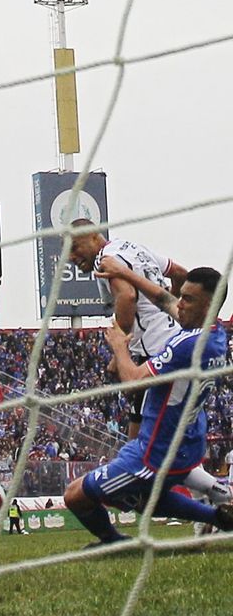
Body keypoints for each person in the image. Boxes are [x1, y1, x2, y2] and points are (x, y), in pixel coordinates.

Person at [64, 266, 233, 546]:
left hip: (155, 454)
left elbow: (132, 381)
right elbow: (164, 299)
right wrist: (126, 274)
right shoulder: (214, 334)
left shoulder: (187, 344)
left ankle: (112, 541)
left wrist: (119, 346)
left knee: (75, 495)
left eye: (188, 299)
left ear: (209, 305)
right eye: (182, 296)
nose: (179, 304)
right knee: (140, 499)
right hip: (185, 443)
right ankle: (219, 512)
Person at [68, 219, 189, 439]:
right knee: (151, 435)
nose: (71, 257)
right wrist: (171, 306)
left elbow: (127, 296)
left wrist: (119, 351)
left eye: (75, 247)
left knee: (140, 444)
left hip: (155, 351)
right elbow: (180, 273)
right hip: (172, 341)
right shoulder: (135, 249)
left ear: (95, 236)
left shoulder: (106, 261)